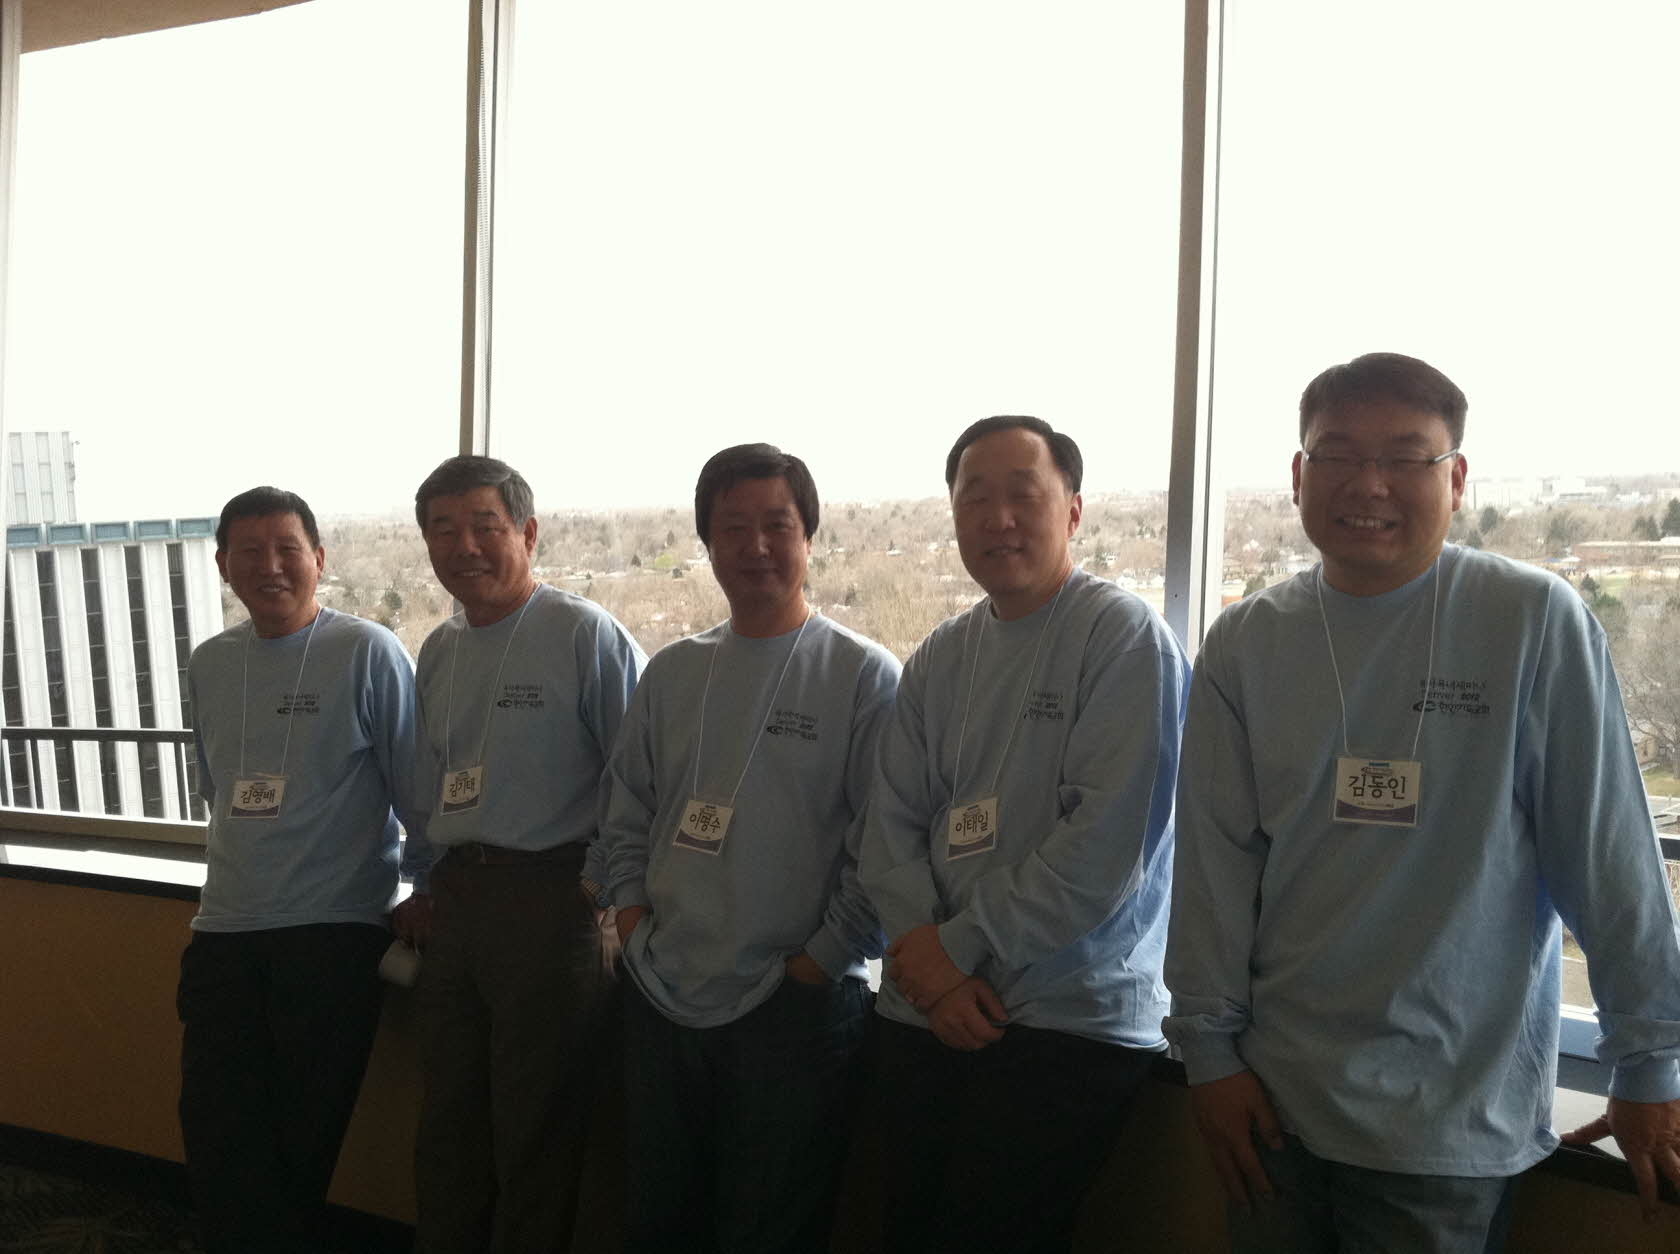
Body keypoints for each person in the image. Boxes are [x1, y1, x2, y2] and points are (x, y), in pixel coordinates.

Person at [1164, 351, 1680, 1252]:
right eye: (1336, 453)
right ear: (1298, 475)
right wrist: (1208, 1053)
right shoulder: (1247, 642)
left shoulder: (1529, 621)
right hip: (1272, 1099)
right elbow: (1213, 867)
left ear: (1458, 477)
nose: (1369, 484)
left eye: (1406, 456)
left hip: (1449, 1117)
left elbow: (1608, 858)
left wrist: (1650, 1060)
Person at [859, 416, 1191, 1254]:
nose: (998, 519)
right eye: (975, 499)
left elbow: (1106, 849)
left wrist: (956, 948)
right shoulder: (940, 657)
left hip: (1061, 1019)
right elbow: (889, 827)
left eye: (1023, 495)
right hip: (928, 1006)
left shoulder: (1122, 638)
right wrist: (929, 964)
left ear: (1073, 510)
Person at [599, 442, 900, 1252]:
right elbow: (625, 815)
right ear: (707, 542)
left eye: (778, 525)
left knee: (767, 1229)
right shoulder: (672, 673)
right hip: (663, 993)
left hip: (791, 1009)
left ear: (810, 537)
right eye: (733, 528)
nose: (755, 546)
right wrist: (632, 923)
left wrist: (816, 964)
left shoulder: (862, 676)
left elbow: (884, 848)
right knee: (659, 1220)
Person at [178, 486, 429, 1254]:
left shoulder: (367, 651)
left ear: (319, 559)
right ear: (223, 565)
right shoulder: (211, 663)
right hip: (225, 928)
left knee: (300, 1137)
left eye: (288, 549)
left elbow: (417, 789)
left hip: (330, 932)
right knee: (214, 1127)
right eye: (249, 552)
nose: (271, 566)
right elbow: (217, 789)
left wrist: (427, 888)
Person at [408, 455, 645, 1254]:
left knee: (536, 1127)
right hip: (458, 899)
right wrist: (424, 882)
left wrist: (600, 892)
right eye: (445, 530)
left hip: (555, 900)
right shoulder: (438, 650)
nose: (465, 547)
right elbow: (433, 782)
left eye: (485, 526)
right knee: (449, 1120)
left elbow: (637, 779)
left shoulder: (583, 634)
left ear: (529, 533)